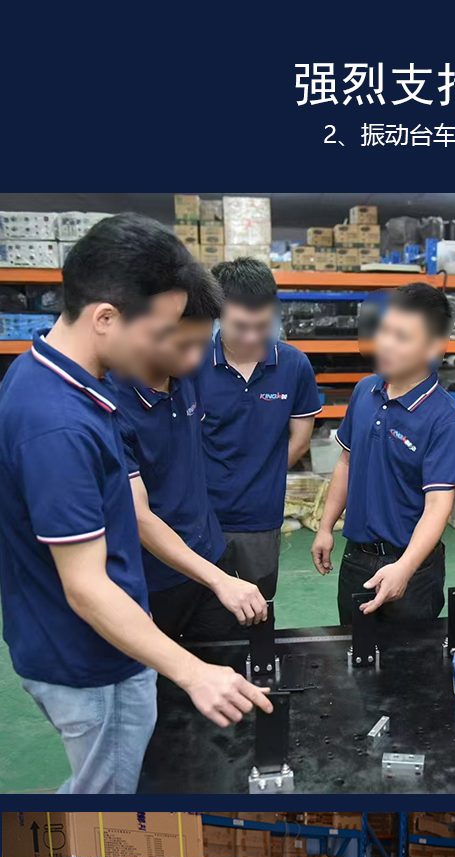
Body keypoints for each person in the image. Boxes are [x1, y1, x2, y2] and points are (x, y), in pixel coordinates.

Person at [0, 214, 271, 795]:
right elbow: (85, 587)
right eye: (162, 330)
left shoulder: (67, 381)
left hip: (106, 642)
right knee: (108, 802)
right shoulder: (57, 423)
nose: (168, 350)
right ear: (106, 318)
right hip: (90, 659)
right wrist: (191, 670)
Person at [109, 265, 266, 640]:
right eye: (183, 345)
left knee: (229, 665)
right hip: (148, 578)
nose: (196, 359)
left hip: (208, 554)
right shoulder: (110, 403)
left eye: (203, 343)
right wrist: (219, 580)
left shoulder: (186, 372)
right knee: (162, 675)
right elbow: (138, 516)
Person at [311, 283, 455, 621]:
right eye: (384, 331)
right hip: (356, 559)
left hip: (411, 567)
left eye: (402, 336)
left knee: (410, 654)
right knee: (353, 648)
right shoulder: (364, 391)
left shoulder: (444, 419)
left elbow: (438, 506)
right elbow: (346, 462)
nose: (385, 343)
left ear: (433, 347)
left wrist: (405, 568)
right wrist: (325, 527)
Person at [198, 257, 322, 600]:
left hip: (260, 520)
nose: (253, 336)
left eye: (262, 325)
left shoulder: (294, 365)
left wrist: (259, 479)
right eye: (240, 326)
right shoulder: (192, 362)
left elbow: (300, 439)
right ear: (217, 315)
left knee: (258, 610)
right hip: (202, 518)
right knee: (204, 611)